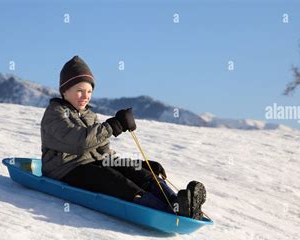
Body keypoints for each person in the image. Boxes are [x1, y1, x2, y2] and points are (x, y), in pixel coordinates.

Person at [40, 55, 206, 219]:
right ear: (64, 91)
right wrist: (113, 126)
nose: (85, 96)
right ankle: (167, 212)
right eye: (79, 91)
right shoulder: (54, 114)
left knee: (139, 174)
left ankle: (179, 204)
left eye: (89, 91)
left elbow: (104, 153)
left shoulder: (89, 115)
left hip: (94, 163)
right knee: (113, 180)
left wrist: (137, 165)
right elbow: (80, 142)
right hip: (65, 169)